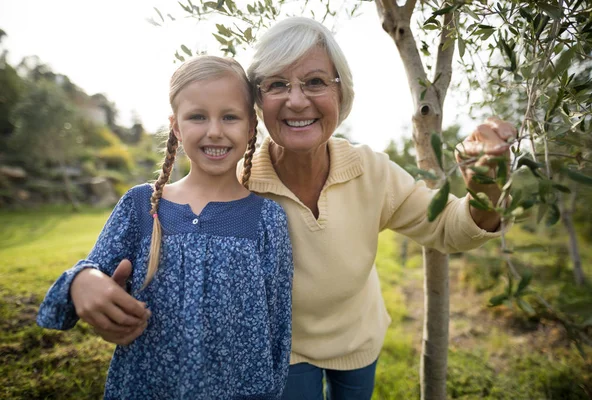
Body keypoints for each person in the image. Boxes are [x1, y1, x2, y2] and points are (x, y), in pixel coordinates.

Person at [64, 18, 516, 400]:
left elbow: (450, 230)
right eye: (278, 84)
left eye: (315, 82)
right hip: (282, 351)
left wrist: (486, 187)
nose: (297, 100)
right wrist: (99, 292)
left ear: (341, 94)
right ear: (259, 103)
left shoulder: (371, 171)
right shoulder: (236, 185)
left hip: (359, 340)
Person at [37, 55, 294, 400]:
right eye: (198, 116)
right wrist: (82, 281)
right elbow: (91, 273)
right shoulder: (141, 206)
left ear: (250, 128)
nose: (214, 130)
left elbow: (277, 330)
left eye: (229, 117)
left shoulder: (267, 219)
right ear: (176, 126)